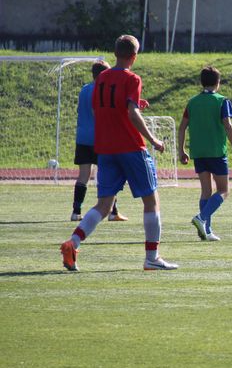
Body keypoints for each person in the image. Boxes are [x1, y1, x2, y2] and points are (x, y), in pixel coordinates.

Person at [59, 34, 177, 271]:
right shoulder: (132, 78)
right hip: (130, 147)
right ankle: (152, 258)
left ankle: (73, 243)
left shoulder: (101, 78)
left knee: (104, 205)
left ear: (115, 54)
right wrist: (153, 139)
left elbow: (99, 110)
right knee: (151, 201)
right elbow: (132, 113)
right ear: (134, 56)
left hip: (105, 149)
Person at [177, 66, 232, 241]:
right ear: (218, 82)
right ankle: (202, 218)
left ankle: (207, 230)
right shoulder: (222, 101)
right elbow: (228, 126)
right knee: (224, 190)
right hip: (216, 151)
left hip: (198, 152)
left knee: (206, 191)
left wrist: (181, 150)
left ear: (202, 82)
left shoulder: (192, 102)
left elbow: (182, 127)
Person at [71, 59, 126, 222]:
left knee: (83, 175)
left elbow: (80, 110)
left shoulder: (84, 89)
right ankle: (113, 212)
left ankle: (76, 212)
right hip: (100, 138)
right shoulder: (103, 90)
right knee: (108, 174)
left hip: (82, 137)